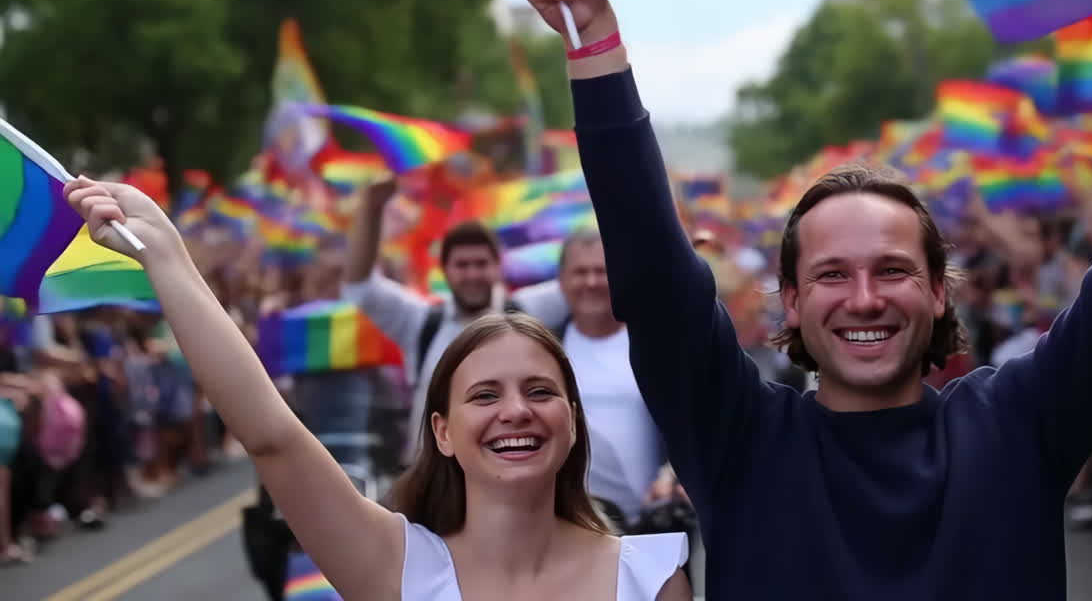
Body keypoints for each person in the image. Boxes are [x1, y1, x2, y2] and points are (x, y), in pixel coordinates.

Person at [521, 0, 1092, 599]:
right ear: (791, 300)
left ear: (940, 292)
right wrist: (595, 42)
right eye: (831, 274)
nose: (864, 297)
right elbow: (654, 275)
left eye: (891, 270)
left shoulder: (1022, 421)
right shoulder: (739, 439)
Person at [61, 178, 692, 600]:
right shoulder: (398, 566)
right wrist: (167, 257)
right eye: (484, 396)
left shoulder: (652, 578)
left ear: (573, 419)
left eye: (539, 390)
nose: (515, 411)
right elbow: (272, 435)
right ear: (441, 431)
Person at [342, 178, 566, 462]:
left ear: (499, 267)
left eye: (481, 264)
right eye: (462, 265)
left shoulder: (529, 312)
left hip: (512, 474)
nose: (472, 274)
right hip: (431, 483)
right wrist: (373, 207)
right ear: (445, 270)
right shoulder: (420, 321)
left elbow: (586, 281)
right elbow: (359, 287)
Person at [551, 228, 677, 531]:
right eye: (580, 272)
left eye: (602, 272)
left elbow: (690, 427)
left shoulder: (656, 348)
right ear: (562, 280)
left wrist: (672, 475)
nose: (592, 282)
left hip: (644, 526)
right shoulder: (543, 349)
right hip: (565, 527)